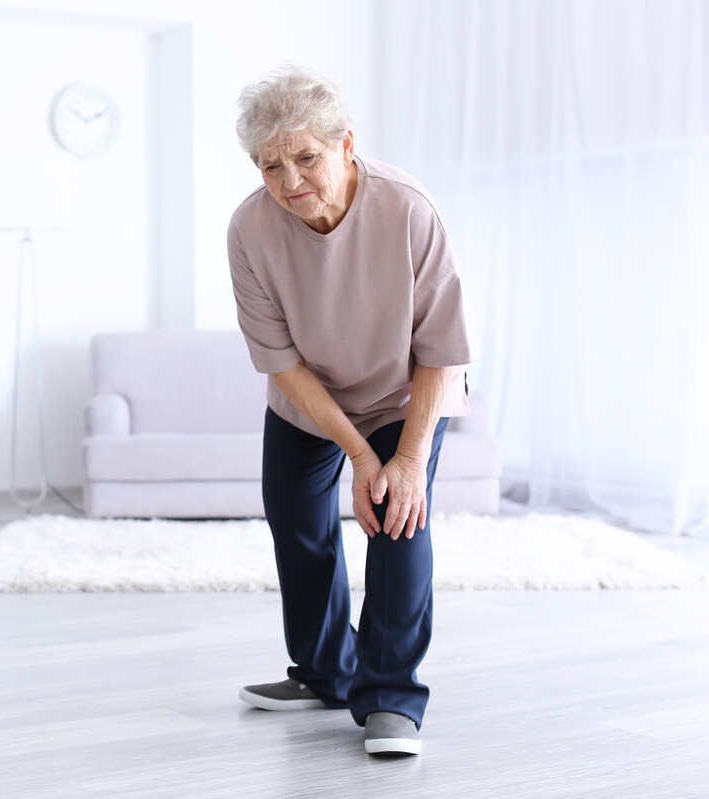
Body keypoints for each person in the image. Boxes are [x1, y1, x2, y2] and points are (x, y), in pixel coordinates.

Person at [227, 65, 471, 757]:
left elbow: (443, 348)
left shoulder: (408, 209)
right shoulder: (250, 229)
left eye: (306, 157)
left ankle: (392, 695)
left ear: (346, 145)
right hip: (311, 397)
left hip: (404, 390)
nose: (290, 180)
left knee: (399, 518)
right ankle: (326, 672)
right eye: (270, 165)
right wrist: (358, 454)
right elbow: (281, 361)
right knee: (297, 520)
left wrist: (407, 458)